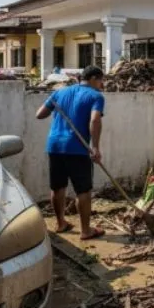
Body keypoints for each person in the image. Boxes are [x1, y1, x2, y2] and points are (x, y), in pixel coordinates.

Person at [36, 65, 106, 240]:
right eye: (101, 81)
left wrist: (60, 108)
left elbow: (40, 114)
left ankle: (61, 224)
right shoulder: (96, 96)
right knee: (83, 190)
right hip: (77, 148)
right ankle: (85, 230)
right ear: (94, 79)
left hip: (54, 146)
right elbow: (95, 120)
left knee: (58, 186)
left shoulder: (60, 92)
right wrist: (96, 147)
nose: (102, 84)